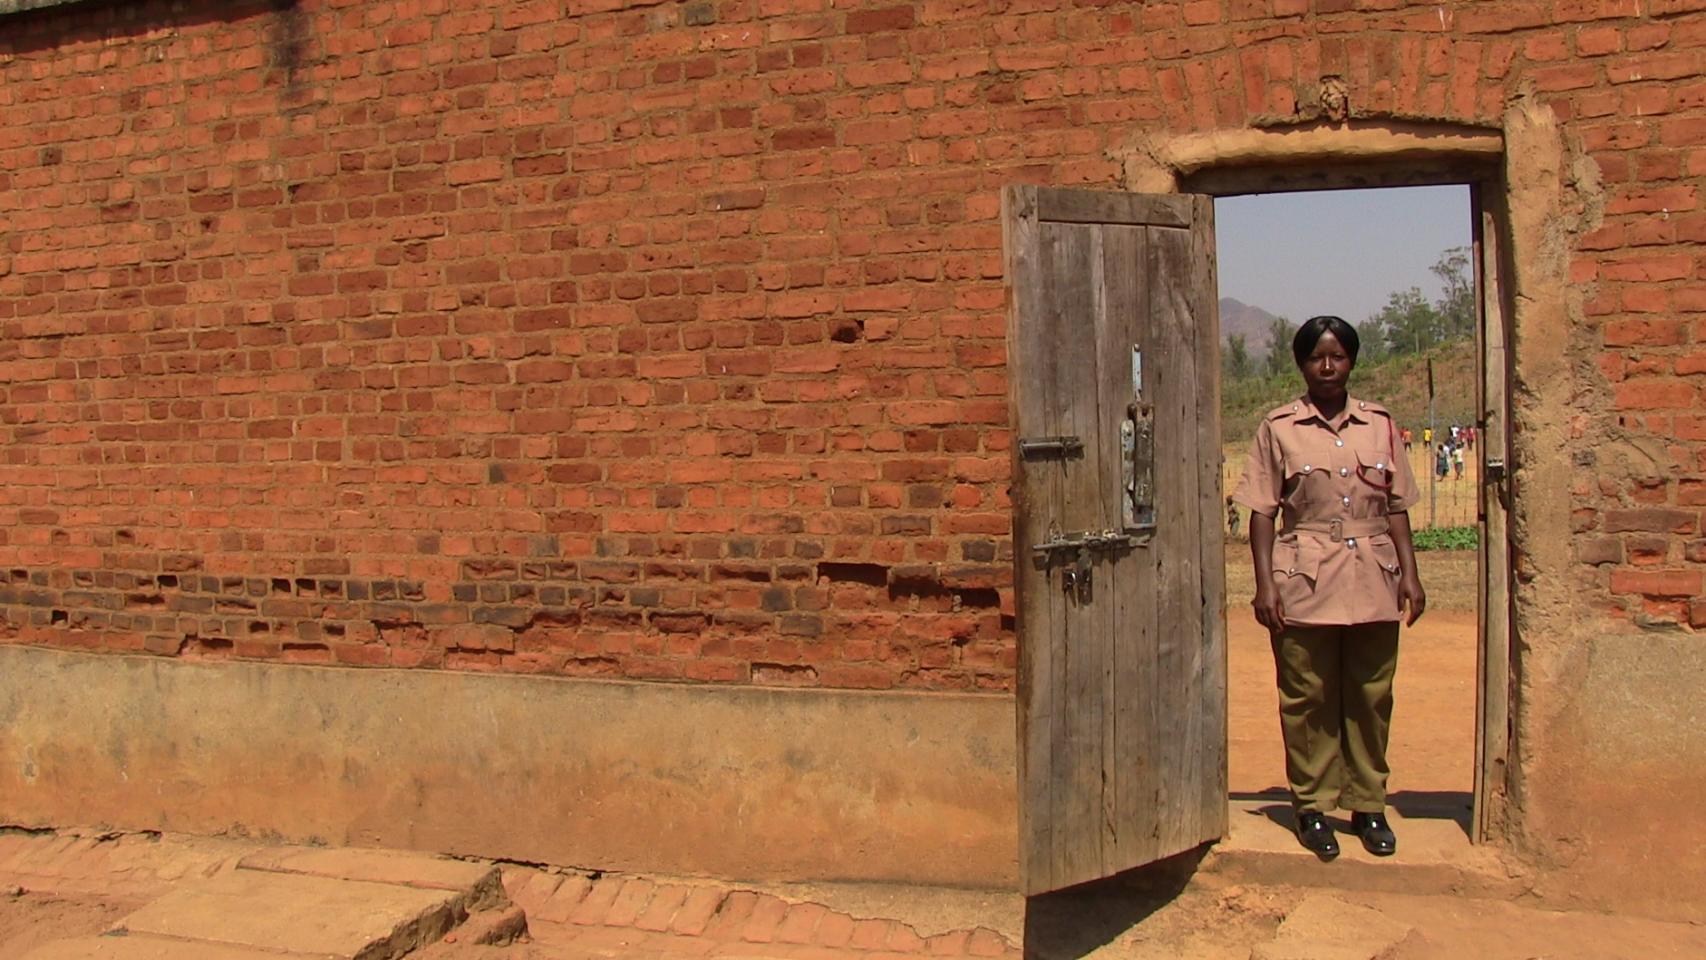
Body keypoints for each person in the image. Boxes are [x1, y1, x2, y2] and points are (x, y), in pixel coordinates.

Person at [1232, 316, 1426, 861]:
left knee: (1371, 695)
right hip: (1304, 579)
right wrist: (1264, 583)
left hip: (1373, 577)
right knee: (1307, 695)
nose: (1327, 366)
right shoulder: (1279, 428)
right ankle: (1312, 806)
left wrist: (1410, 574)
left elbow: (1396, 508)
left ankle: (1368, 804)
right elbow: (1262, 513)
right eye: (1317, 356)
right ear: (1300, 364)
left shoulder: (1380, 425)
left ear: (1352, 362)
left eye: (1338, 356)